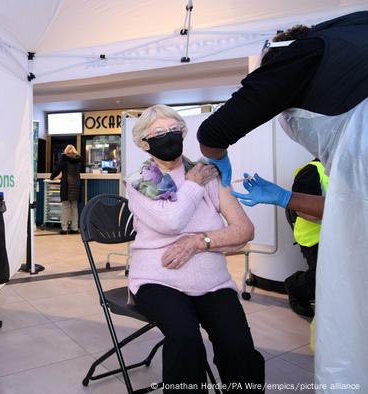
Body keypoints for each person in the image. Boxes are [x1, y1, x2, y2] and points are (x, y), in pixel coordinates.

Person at [195, 11, 368, 389]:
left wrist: (201, 236)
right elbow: (349, 212)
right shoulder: (351, 34)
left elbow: (215, 132)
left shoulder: (300, 54)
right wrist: (283, 197)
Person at [127, 105, 264, 393]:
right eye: (159, 133)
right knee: (186, 339)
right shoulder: (141, 182)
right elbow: (171, 222)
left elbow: (243, 230)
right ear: (144, 144)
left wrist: (200, 241)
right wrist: (191, 185)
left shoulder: (209, 174)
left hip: (213, 282)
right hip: (158, 280)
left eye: (174, 130)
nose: (169, 137)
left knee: (237, 345)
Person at [285, 159, 327, 317]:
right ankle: (294, 287)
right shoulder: (311, 171)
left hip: (340, 234)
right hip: (314, 237)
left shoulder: (346, 167)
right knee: (320, 276)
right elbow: (300, 209)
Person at [50, 145, 82, 234]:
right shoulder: (79, 159)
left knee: (65, 207)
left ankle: (64, 228)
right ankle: (74, 228)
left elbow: (57, 169)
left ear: (66, 151)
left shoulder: (64, 159)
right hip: (76, 184)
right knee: (74, 207)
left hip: (67, 184)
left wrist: (52, 177)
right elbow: (80, 170)